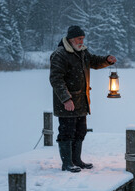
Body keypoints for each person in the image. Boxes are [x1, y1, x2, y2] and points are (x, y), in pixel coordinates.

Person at [49, 25, 117, 172]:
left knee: (80, 131)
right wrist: (66, 99)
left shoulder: (82, 51)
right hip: (67, 103)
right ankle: (67, 163)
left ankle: (77, 160)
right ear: (71, 39)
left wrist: (107, 60)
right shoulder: (60, 54)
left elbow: (93, 61)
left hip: (82, 101)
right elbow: (56, 79)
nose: (82, 41)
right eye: (79, 39)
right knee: (67, 132)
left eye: (83, 39)